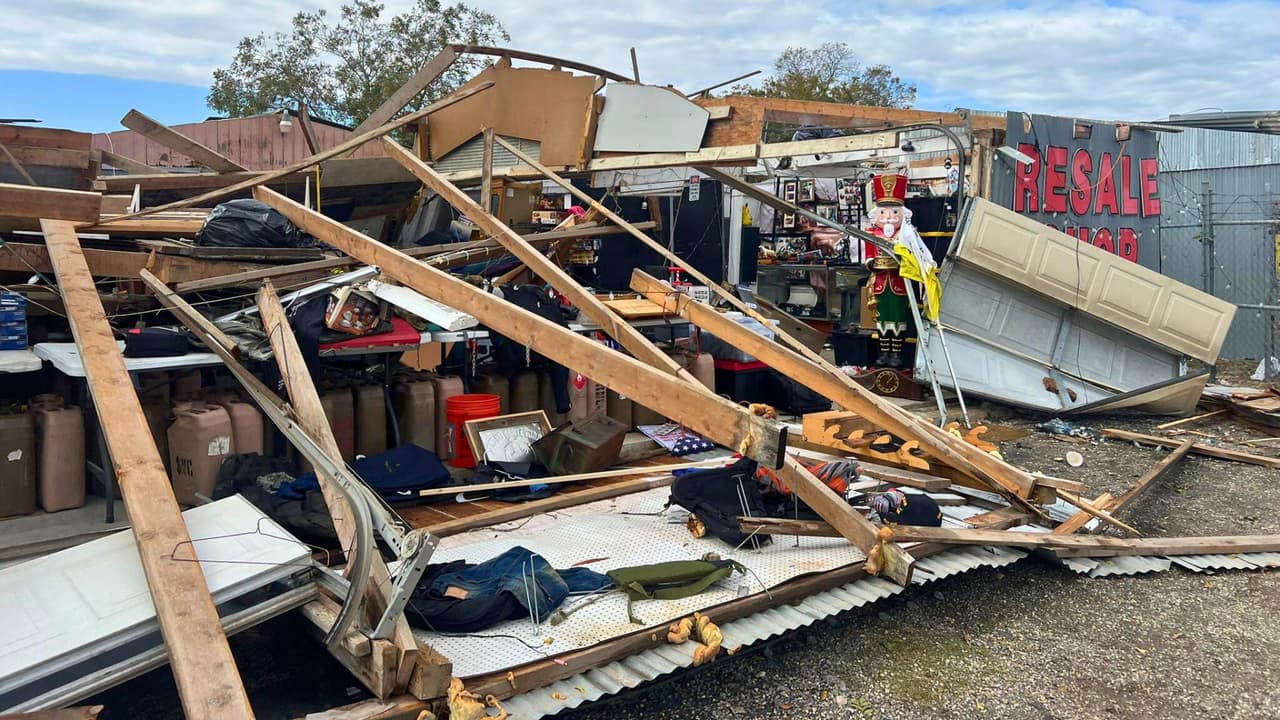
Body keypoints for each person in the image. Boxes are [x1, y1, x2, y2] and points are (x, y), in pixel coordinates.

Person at [863, 174, 912, 368]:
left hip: (899, 282)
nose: (889, 217)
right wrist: (871, 263)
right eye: (884, 212)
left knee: (898, 319)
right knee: (882, 319)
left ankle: (897, 354)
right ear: (877, 213)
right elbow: (867, 257)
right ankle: (884, 352)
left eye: (894, 212)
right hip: (880, 282)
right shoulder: (872, 234)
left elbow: (912, 257)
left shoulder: (907, 234)